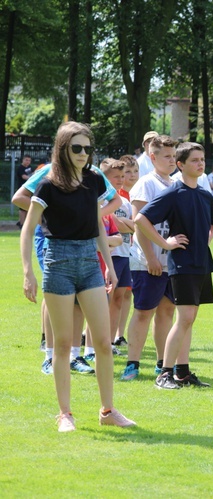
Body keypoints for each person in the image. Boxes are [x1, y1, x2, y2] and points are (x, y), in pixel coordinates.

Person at [20, 121, 136, 431]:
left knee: (101, 341)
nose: (84, 154)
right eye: (77, 148)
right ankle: (65, 414)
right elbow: (29, 228)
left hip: (89, 261)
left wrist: (109, 266)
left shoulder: (95, 180)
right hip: (58, 260)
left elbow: (97, 224)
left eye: (88, 148)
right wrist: (28, 271)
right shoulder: (47, 184)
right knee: (62, 344)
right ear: (63, 149)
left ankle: (108, 411)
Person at [135, 142, 213, 390]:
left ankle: (182, 372)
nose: (201, 164)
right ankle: (164, 373)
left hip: (202, 263)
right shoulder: (173, 192)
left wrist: (206, 240)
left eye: (202, 159)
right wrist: (165, 243)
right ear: (180, 165)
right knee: (184, 318)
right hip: (182, 264)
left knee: (190, 319)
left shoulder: (204, 195)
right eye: (195, 160)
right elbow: (141, 219)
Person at [121, 135, 179, 381]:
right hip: (148, 263)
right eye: (167, 156)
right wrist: (150, 258)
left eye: (175, 156)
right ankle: (132, 364)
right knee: (144, 312)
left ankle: (162, 364)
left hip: (172, 262)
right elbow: (138, 224)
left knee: (167, 312)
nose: (172, 161)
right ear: (153, 157)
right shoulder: (147, 183)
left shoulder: (176, 184)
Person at [101, 159, 134, 354]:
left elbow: (134, 227)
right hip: (108, 256)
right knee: (104, 300)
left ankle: (112, 342)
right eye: (116, 177)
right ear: (105, 178)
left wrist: (119, 222)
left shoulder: (126, 202)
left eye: (123, 176)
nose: (121, 180)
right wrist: (123, 224)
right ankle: (98, 341)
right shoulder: (101, 201)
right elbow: (122, 225)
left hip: (125, 254)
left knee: (119, 299)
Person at [16, 155, 33, 228]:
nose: (28, 162)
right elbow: (24, 176)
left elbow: (32, 174)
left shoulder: (30, 167)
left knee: (27, 207)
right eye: (26, 160)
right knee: (22, 208)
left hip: (29, 189)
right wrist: (33, 179)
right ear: (22, 160)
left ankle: (24, 223)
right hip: (22, 189)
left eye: (29, 160)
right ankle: (21, 224)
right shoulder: (20, 168)